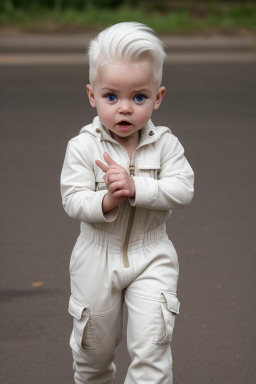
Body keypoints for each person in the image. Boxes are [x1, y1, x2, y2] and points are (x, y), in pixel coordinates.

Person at [60, 22, 194, 384]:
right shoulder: (83, 146)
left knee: (153, 351)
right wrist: (105, 200)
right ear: (91, 95)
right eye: (111, 97)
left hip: (151, 254)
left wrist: (138, 187)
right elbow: (72, 199)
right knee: (92, 355)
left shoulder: (166, 145)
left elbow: (183, 189)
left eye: (138, 97)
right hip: (95, 256)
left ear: (158, 97)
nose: (124, 109)